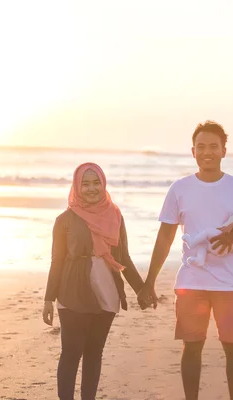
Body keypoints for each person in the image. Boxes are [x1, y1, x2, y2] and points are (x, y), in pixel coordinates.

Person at [137, 121, 233, 400]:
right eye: (201, 147)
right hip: (192, 280)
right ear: (193, 152)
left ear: (224, 150)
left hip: (231, 282)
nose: (207, 152)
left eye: (213, 146)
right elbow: (164, 237)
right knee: (192, 347)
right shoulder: (179, 189)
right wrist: (148, 282)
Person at [42, 162, 145, 400]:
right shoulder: (64, 220)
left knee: (94, 352)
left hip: (106, 290)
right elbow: (56, 261)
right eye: (85, 184)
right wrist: (49, 298)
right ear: (77, 187)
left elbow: (124, 256)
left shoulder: (116, 215)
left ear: (103, 183)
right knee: (70, 352)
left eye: (96, 182)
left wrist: (141, 289)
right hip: (72, 291)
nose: (91, 189)